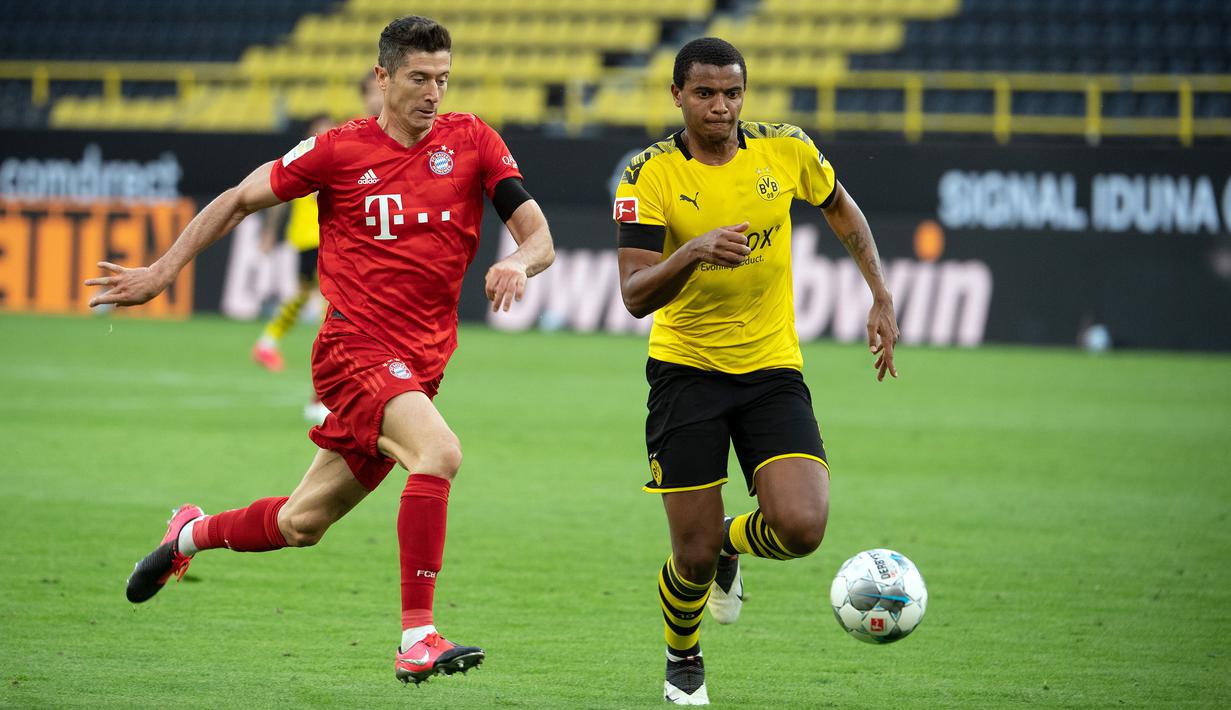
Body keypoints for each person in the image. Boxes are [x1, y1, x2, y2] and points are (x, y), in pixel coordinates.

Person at [85, 15, 555, 686]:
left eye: (442, 80)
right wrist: (162, 272)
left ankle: (186, 533)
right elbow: (239, 198)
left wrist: (520, 262)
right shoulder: (337, 151)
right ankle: (417, 637)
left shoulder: (472, 140)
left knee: (302, 523)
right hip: (353, 349)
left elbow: (539, 234)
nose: (432, 94)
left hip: (420, 364)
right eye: (419, 79)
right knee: (439, 453)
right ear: (382, 77)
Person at [613, 37, 900, 705]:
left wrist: (880, 294)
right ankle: (682, 655)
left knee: (801, 528)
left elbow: (840, 209)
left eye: (732, 93)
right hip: (685, 371)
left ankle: (729, 548)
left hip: (771, 366)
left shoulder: (786, 149)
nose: (721, 106)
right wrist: (691, 252)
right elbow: (632, 295)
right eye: (705, 94)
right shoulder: (646, 174)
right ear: (677, 95)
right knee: (688, 555)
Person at [252, 74, 384, 421]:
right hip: (315, 240)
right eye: (371, 91)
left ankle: (269, 343)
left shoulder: (360, 140)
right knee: (334, 313)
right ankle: (319, 394)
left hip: (335, 241)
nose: (377, 97)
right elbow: (279, 189)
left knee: (316, 304)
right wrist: (270, 231)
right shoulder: (331, 145)